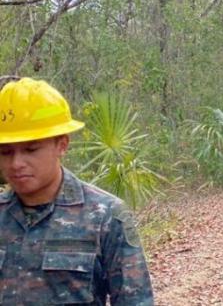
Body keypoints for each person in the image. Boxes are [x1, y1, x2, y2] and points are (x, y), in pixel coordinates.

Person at [0, 77, 154, 304]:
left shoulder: (105, 215)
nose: (16, 163)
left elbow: (136, 300)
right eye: (5, 152)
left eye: (31, 149)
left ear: (61, 144)